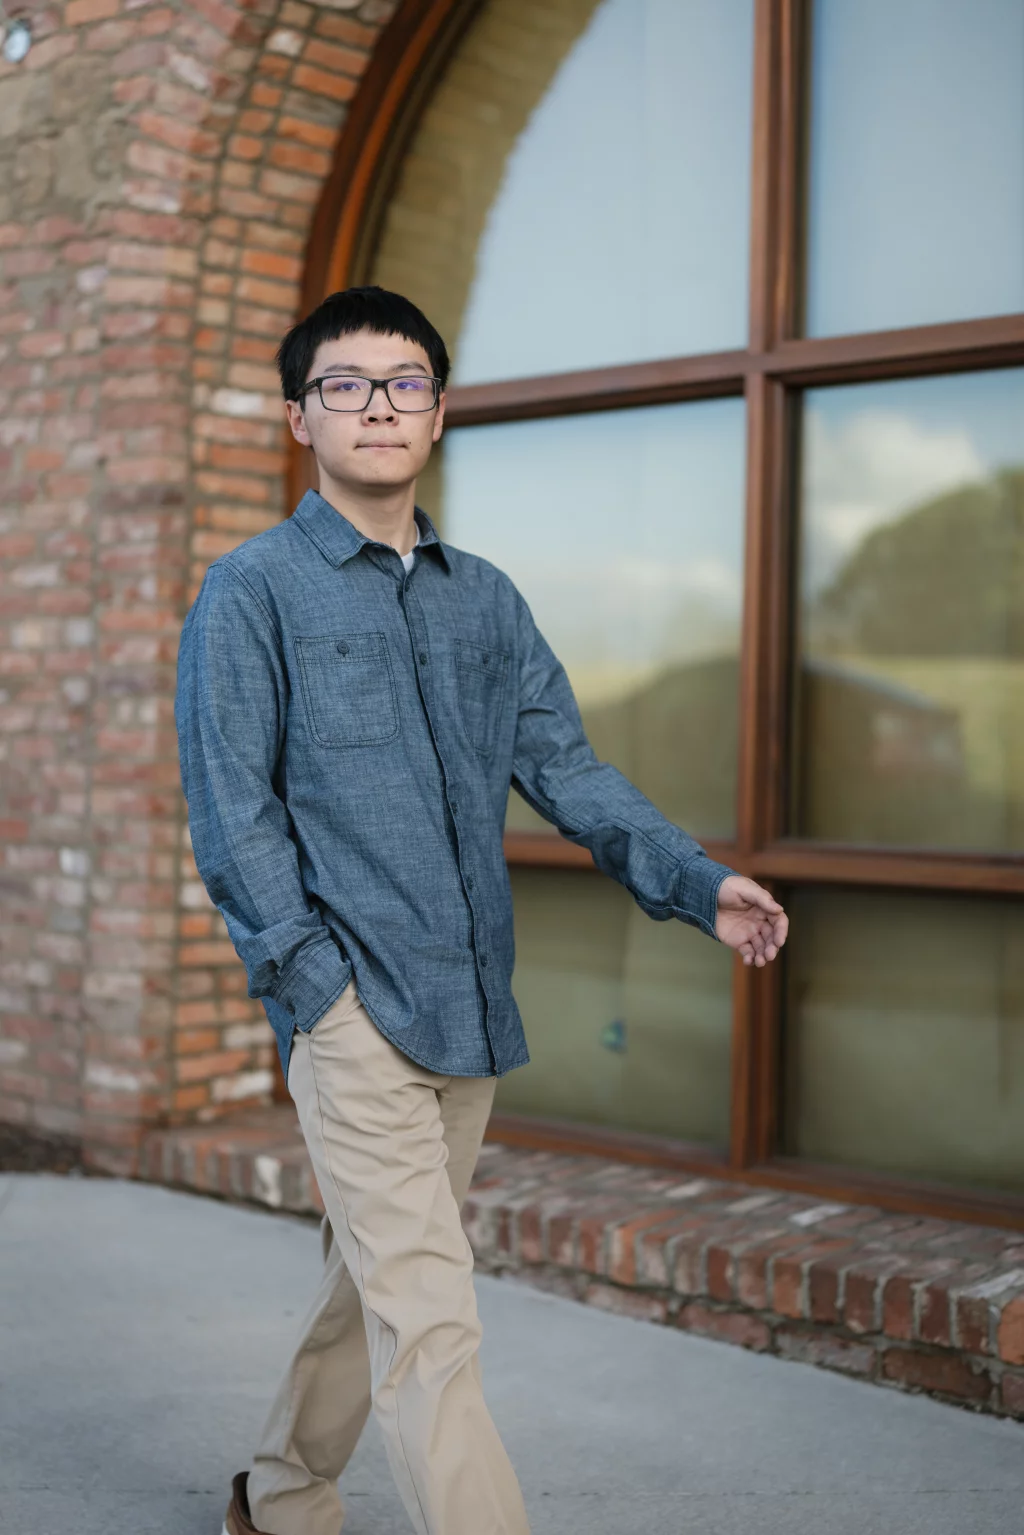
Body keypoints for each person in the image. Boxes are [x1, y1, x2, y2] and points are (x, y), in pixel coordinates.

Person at [175, 285, 789, 1535]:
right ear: (301, 417)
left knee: (377, 1280)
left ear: (440, 412)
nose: (377, 406)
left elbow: (566, 767)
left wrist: (695, 878)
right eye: (344, 384)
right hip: (352, 1011)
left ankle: (280, 1492)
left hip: (468, 1010)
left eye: (404, 383)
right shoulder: (251, 593)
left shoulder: (486, 600)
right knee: (435, 1317)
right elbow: (232, 816)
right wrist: (315, 992)